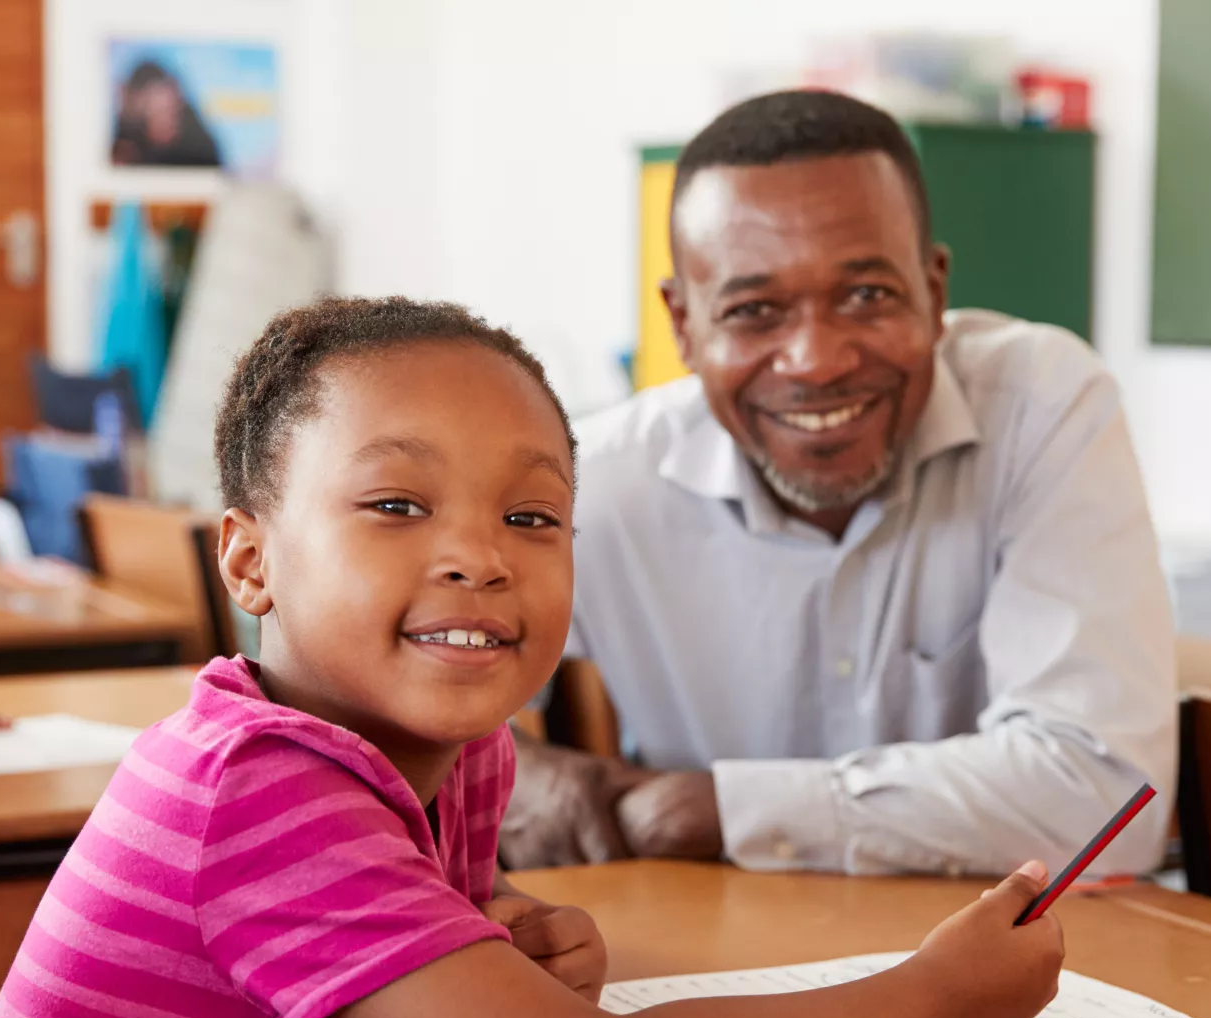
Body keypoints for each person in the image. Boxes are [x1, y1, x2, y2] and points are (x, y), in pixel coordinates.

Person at [0, 297, 1066, 1018]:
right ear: (249, 557)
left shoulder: (460, 759)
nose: (481, 554)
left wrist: (503, 960)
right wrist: (932, 997)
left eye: (531, 515)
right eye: (398, 506)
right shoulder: (256, 785)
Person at [503, 90, 1176, 878]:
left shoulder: (1040, 408)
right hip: (714, 954)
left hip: (1001, 954)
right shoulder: (594, 483)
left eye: (867, 296)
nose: (816, 360)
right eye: (755, 310)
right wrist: (513, 770)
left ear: (934, 291)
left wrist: (707, 810)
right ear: (683, 325)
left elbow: (1106, 803)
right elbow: (399, 703)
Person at [111, 59, 223, 168]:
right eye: (159, 112)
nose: (169, 122)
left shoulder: (198, 149)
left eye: (173, 112)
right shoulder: (124, 150)